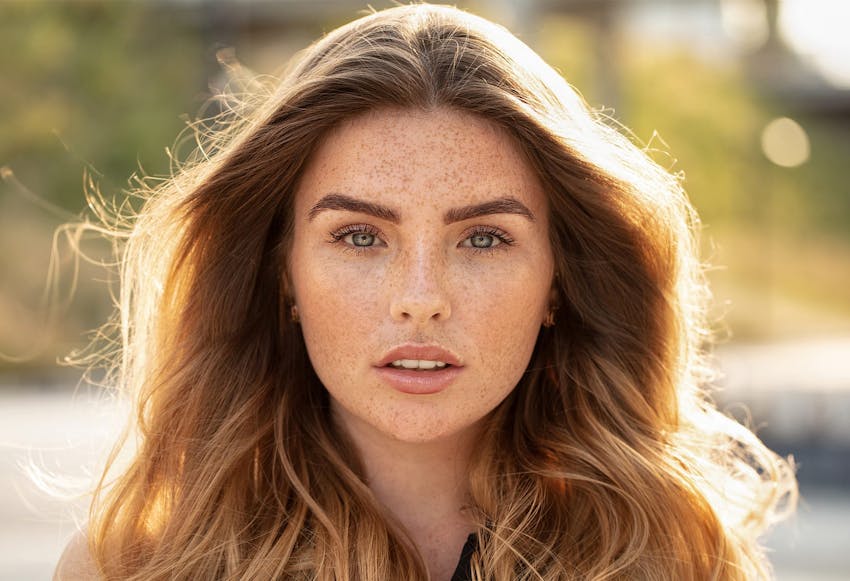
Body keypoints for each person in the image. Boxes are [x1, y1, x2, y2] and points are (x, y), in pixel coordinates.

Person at [54, 3, 796, 580]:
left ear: (559, 280)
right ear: (282, 269)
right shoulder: (136, 565)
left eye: (482, 238)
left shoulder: (676, 557)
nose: (420, 298)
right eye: (359, 236)